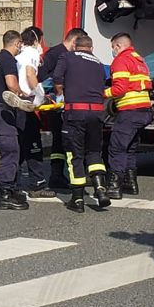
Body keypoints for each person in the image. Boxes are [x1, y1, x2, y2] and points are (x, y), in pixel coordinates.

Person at [53, 34, 111, 212]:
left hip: (75, 113)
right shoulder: (98, 63)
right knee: (94, 151)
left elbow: (57, 78)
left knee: (74, 154)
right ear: (91, 48)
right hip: (96, 113)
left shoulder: (67, 56)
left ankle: (77, 199)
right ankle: (100, 189)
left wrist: (60, 94)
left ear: (75, 46)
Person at [0, 30, 35, 211]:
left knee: (10, 149)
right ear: (17, 43)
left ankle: (13, 188)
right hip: (1, 110)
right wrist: (24, 95)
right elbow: (11, 85)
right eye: (20, 44)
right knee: (11, 150)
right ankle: (6, 194)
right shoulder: (8, 60)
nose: (21, 47)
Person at [105, 33, 153, 199]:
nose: (113, 51)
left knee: (117, 147)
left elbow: (119, 89)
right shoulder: (139, 60)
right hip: (144, 111)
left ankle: (114, 186)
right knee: (130, 148)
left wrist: (101, 93)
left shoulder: (120, 60)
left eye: (113, 47)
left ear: (118, 46)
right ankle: (130, 183)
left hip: (129, 111)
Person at [38, 28, 86, 187]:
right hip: (56, 104)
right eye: (78, 45)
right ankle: (57, 174)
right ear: (74, 41)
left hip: (66, 104)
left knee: (60, 142)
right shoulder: (55, 54)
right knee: (60, 140)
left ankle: (58, 174)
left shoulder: (67, 55)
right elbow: (42, 77)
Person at [15, 27, 53, 198]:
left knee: (20, 145)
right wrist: (41, 94)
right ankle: (37, 185)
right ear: (37, 40)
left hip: (17, 102)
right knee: (33, 145)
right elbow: (30, 75)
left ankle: (13, 183)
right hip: (27, 103)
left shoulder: (17, 55)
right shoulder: (31, 53)